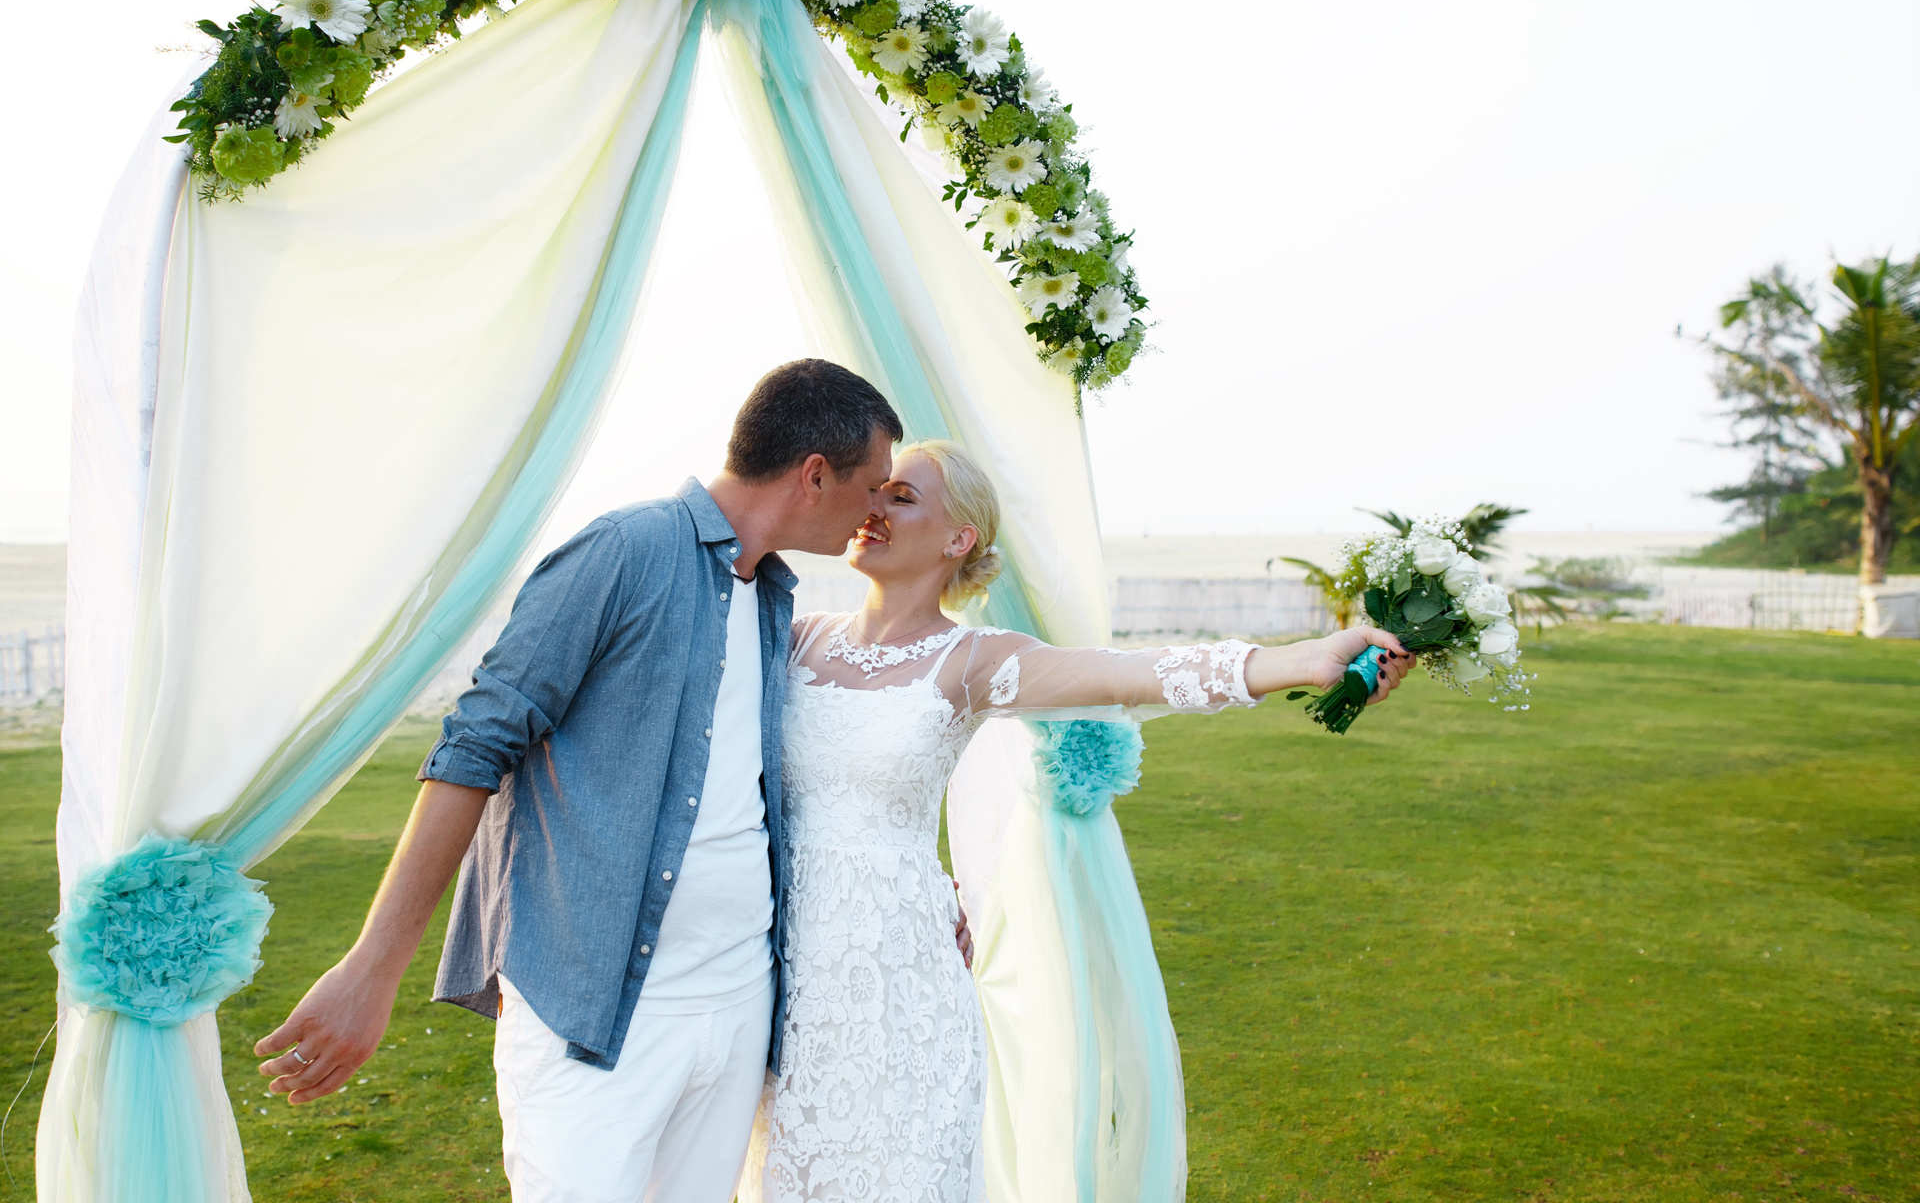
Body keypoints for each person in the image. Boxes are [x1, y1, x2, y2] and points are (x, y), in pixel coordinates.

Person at [254, 359, 905, 1203]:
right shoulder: (622, 552)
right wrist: (373, 969)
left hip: (740, 1003)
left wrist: (918, 900)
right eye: (873, 485)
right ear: (815, 474)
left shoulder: (773, 598)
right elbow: (473, 748)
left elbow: (769, 791)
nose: (876, 510)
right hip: (593, 1011)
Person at [740, 439, 1412, 1201]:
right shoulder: (794, 637)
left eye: (901, 497)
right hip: (791, 991)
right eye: (876, 491)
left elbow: (1133, 674)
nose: (874, 508)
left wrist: (1308, 660)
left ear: (959, 539)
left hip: (908, 994)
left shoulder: (974, 661)